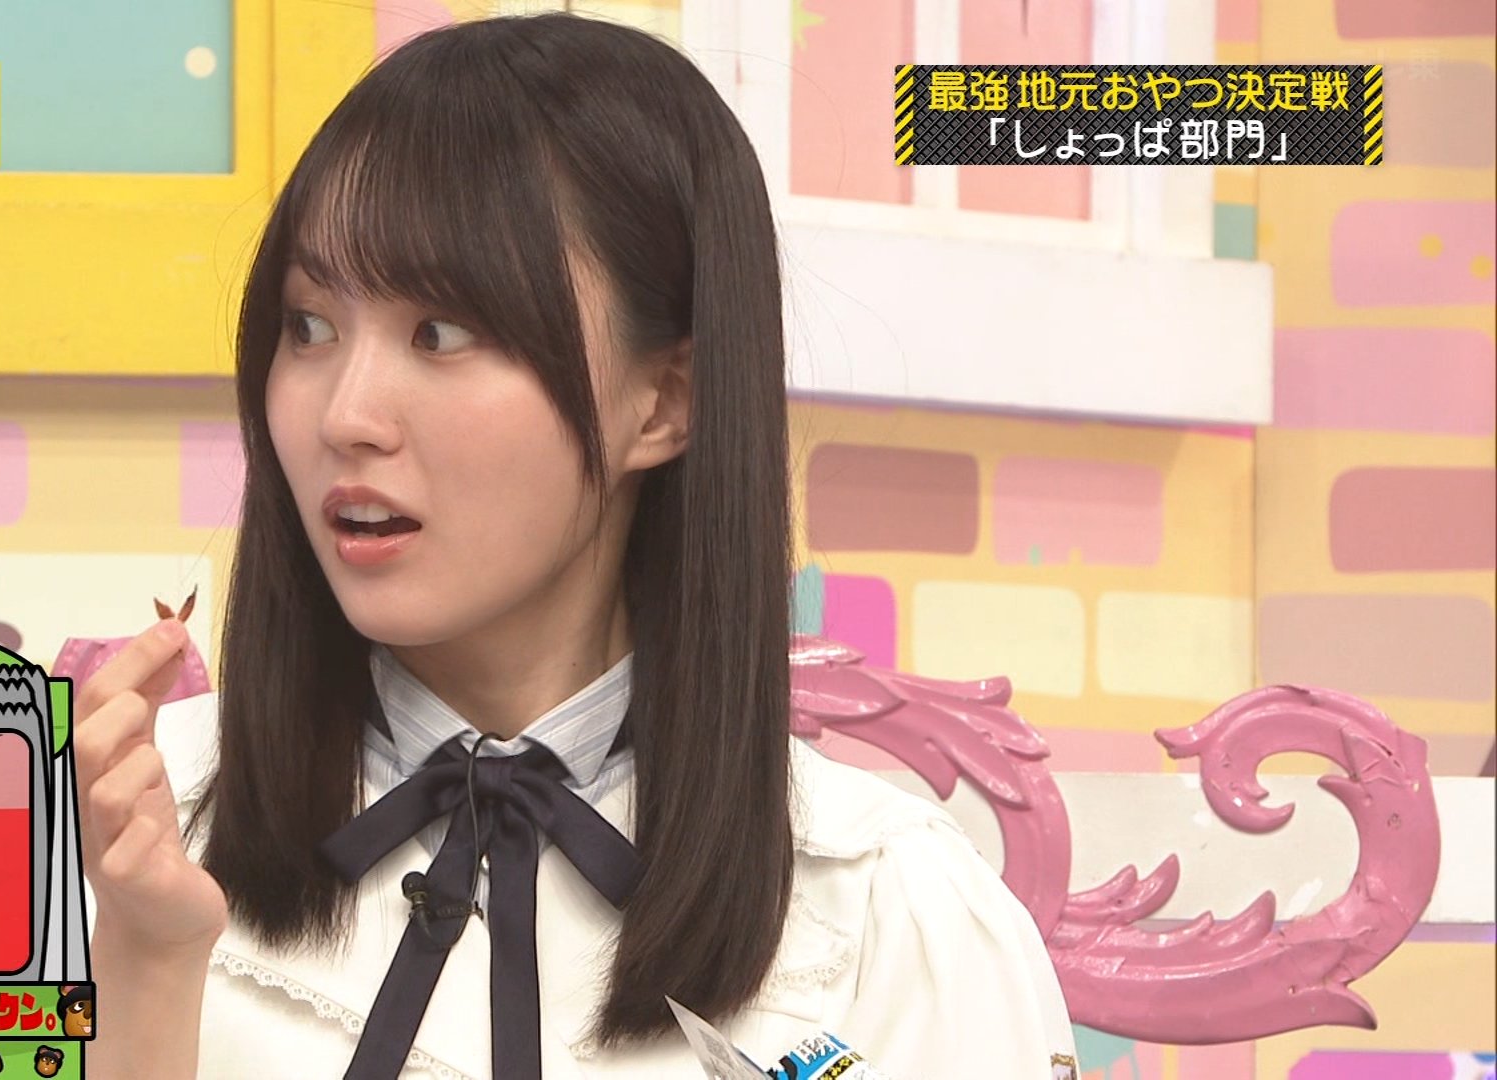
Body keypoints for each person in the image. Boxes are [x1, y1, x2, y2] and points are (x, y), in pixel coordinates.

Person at [75, 13, 1077, 1079]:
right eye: (309, 326)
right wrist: (146, 965)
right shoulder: (104, 845)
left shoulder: (887, 914)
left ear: (666, 401)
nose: (345, 416)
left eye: (440, 334)